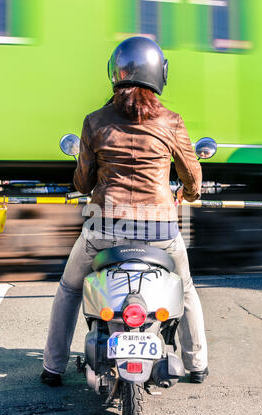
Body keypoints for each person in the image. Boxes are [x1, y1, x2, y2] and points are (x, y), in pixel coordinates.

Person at [41, 36, 208, 387]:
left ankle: (52, 367)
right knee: (186, 287)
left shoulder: (95, 121)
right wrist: (189, 194)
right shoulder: (171, 121)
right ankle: (197, 365)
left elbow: (84, 183)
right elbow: (192, 175)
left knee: (70, 289)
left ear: (115, 74)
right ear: (158, 74)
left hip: (105, 228)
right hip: (160, 231)